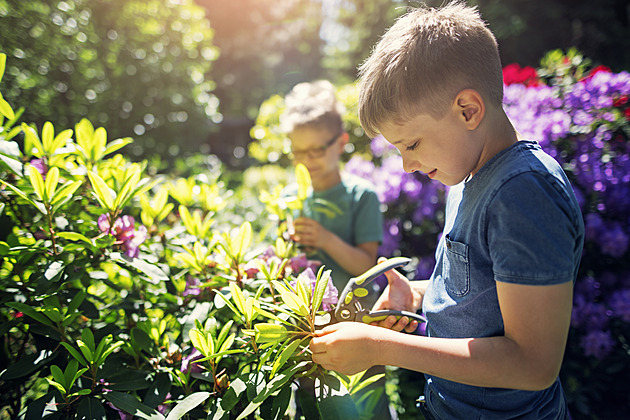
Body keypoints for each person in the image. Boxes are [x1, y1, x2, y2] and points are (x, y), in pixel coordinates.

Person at [309, 3, 585, 419]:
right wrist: (418, 295)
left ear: (468, 110)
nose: (407, 165)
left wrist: (379, 347)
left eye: (412, 144)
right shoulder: (467, 172)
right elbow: (483, 289)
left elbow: (533, 365)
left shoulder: (523, 192)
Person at [280, 79, 384, 294]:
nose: (307, 160)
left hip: (354, 314)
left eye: (316, 150)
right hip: (306, 317)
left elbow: (367, 267)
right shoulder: (288, 197)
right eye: (298, 152)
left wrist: (325, 240)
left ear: (340, 143)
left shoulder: (361, 196)